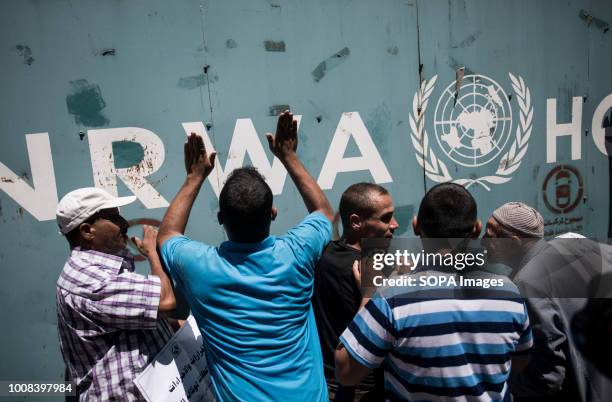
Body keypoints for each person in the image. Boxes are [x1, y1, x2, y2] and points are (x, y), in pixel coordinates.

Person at [157, 111, 334, 401]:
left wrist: (194, 177)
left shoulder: (201, 267)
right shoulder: (296, 254)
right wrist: (288, 156)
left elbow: (167, 235)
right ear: (273, 214)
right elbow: (324, 214)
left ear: (220, 218)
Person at [335, 183, 533, 401]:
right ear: (476, 229)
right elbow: (520, 361)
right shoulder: (510, 293)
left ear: (416, 226)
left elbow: (346, 373)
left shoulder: (393, 298)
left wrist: (368, 294)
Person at [55, 187, 176, 401]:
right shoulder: (91, 280)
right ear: (86, 231)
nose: (124, 223)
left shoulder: (96, 263)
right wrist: (153, 255)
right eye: (113, 217)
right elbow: (165, 301)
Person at [485, 204, 612, 401]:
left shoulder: (527, 284)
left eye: (489, 235)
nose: (482, 242)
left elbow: (546, 378)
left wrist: (501, 378)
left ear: (513, 242)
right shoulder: (579, 245)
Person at [312, 183, 398, 401]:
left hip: (331, 383)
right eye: (385, 218)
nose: (395, 225)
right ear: (356, 222)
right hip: (360, 389)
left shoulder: (326, 253)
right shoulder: (372, 271)